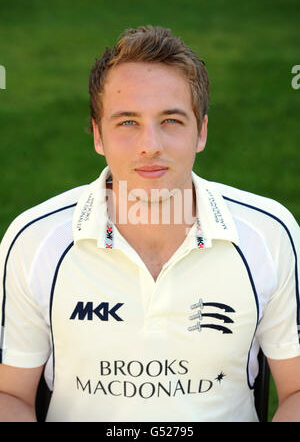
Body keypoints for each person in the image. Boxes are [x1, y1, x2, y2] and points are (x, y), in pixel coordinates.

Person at [0, 25, 299, 423]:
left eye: (171, 121)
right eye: (127, 122)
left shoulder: (270, 234)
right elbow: (10, 394)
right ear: (97, 136)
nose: (150, 145)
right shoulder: (34, 241)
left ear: (201, 132)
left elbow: (295, 390)